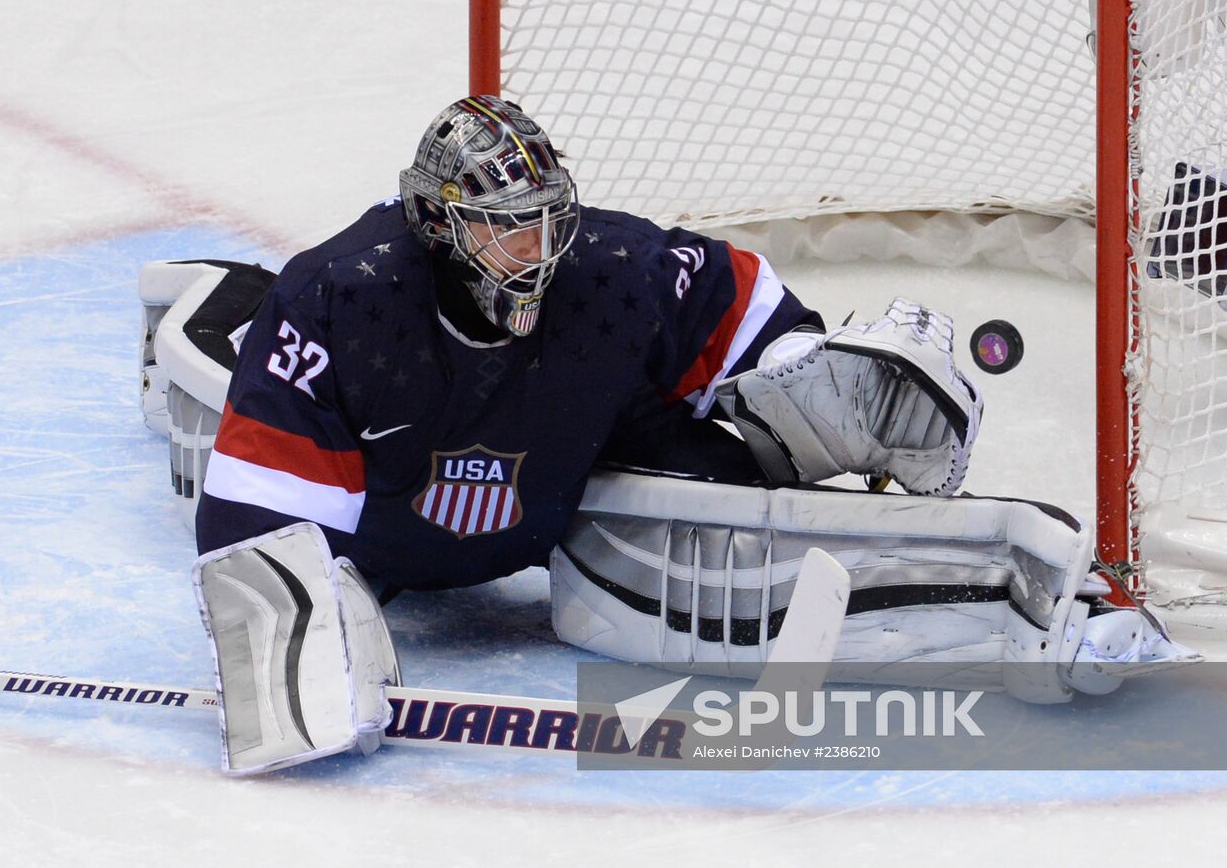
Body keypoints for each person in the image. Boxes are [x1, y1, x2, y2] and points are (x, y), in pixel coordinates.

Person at [139, 96, 1191, 774]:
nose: (539, 246)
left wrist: (831, 391)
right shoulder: (337, 304)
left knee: (712, 520)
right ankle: (200, 303)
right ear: (433, 225)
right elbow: (257, 544)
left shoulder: (609, 276)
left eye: (550, 214)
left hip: (562, 477)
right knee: (211, 395)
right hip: (384, 526)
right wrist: (301, 642)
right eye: (506, 224)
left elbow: (760, 329)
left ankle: (1026, 608)